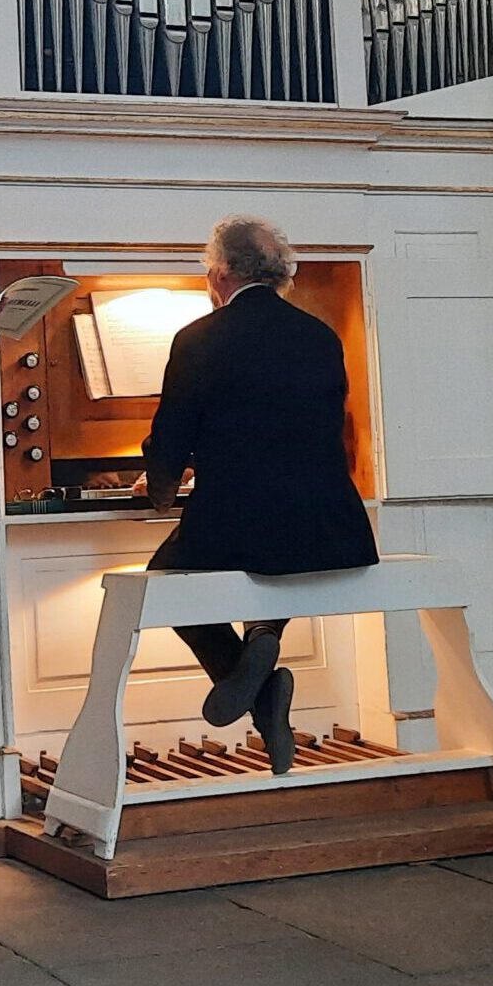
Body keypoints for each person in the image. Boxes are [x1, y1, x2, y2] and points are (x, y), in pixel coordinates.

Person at [141, 215, 379, 774]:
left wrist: (161, 487)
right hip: (331, 525)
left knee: (163, 581)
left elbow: (170, 439)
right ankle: (265, 637)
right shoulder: (322, 336)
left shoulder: (198, 338)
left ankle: (259, 684)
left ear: (221, 272)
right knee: (273, 557)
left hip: (241, 522)